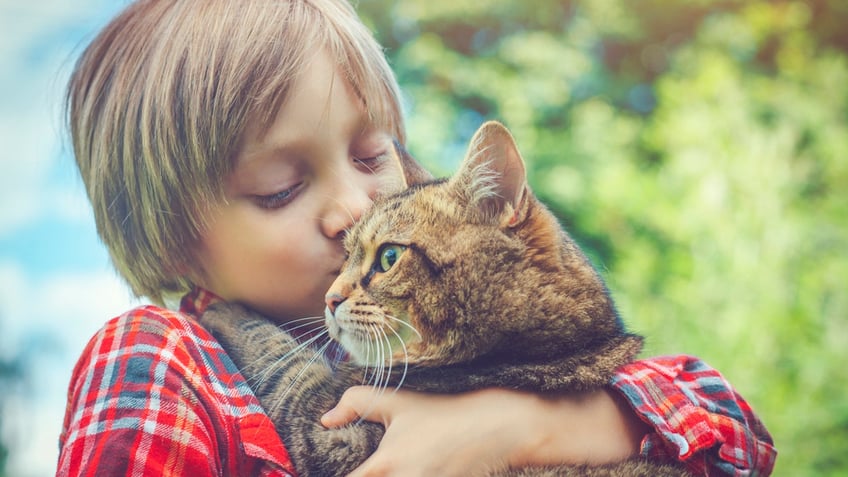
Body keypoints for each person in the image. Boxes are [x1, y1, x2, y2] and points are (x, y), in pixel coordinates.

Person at [57, 1, 776, 476]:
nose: (352, 207)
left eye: (373, 156)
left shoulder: (420, 323)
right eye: (280, 187)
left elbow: (738, 426)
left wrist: (520, 426)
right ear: (178, 244)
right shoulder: (160, 356)